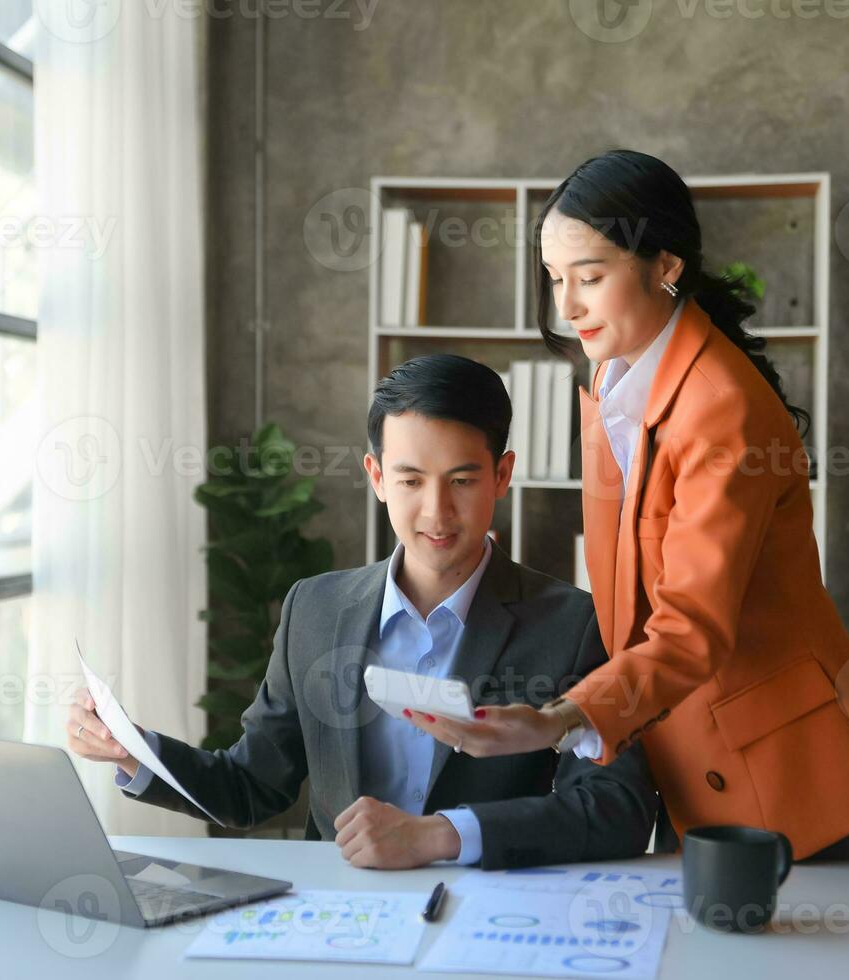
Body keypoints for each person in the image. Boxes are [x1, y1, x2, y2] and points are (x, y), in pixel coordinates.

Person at [406, 150, 849, 861]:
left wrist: (559, 719)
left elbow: (689, 629)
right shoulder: (618, 372)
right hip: (688, 753)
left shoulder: (719, 407)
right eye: (555, 279)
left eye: (591, 276)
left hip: (781, 773)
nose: (567, 305)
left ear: (665, 267)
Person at [68, 354, 658, 870]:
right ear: (376, 477)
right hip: (341, 915)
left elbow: (615, 808)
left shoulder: (571, 624)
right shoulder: (314, 610)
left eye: (461, 480)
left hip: (487, 914)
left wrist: (443, 836)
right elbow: (252, 786)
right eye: (410, 480)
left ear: (501, 475)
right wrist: (133, 751)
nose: (436, 512)